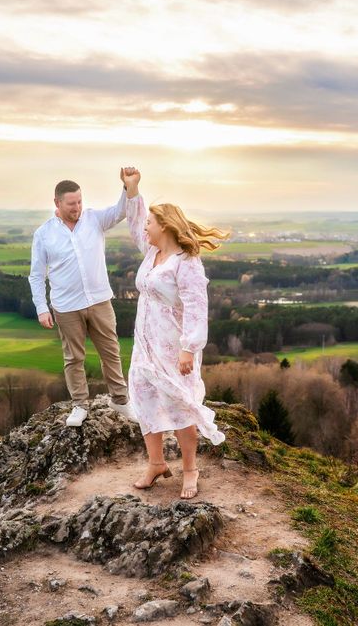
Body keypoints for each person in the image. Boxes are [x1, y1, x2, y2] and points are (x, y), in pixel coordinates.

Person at [120, 166, 230, 499]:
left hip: (173, 346)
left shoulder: (187, 262)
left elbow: (197, 306)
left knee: (181, 404)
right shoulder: (153, 252)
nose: (145, 228)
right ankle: (156, 463)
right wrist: (133, 190)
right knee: (142, 396)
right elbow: (135, 221)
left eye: (150, 223)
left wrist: (188, 348)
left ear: (165, 226)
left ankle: (190, 470)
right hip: (145, 343)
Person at [28, 179, 136, 426]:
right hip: (66, 306)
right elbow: (36, 274)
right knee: (73, 358)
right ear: (57, 202)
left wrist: (126, 187)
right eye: (71, 203)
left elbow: (120, 210)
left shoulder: (93, 219)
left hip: (99, 300)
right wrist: (41, 308)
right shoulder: (44, 234)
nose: (77, 207)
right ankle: (79, 405)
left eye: (79, 201)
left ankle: (120, 400)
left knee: (111, 352)